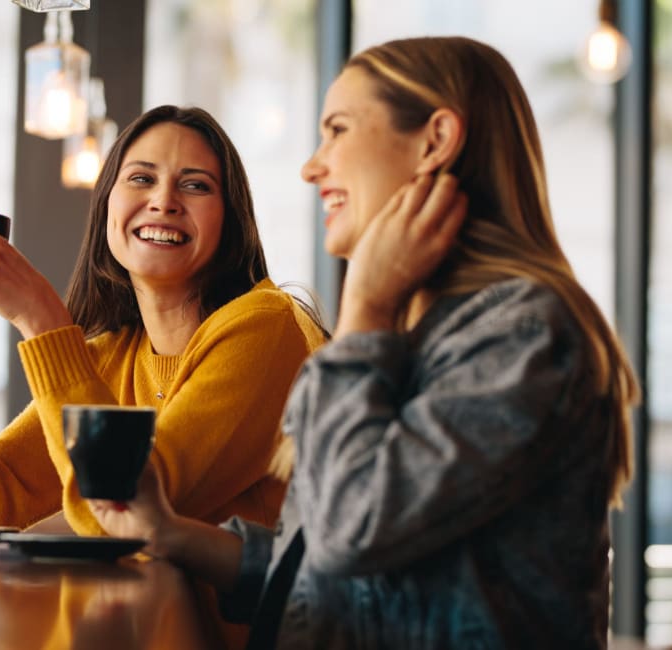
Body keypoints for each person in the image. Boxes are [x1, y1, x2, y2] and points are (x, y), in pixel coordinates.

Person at [88, 36, 639, 649]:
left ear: (434, 141)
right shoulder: (419, 334)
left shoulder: (523, 334)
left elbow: (355, 527)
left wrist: (365, 308)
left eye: (338, 130)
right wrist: (172, 533)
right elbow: (340, 575)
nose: (311, 166)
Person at [0, 105, 327, 541]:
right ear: (106, 208)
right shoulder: (110, 358)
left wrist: (39, 315)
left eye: (195, 185)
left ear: (230, 221)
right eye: (141, 179)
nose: (163, 201)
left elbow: (125, 511)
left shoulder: (264, 327)